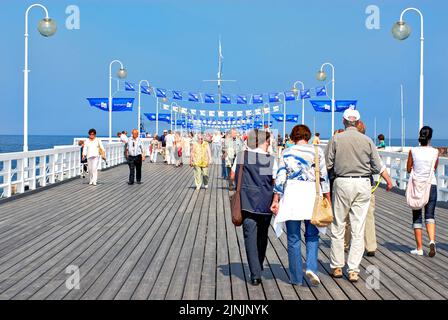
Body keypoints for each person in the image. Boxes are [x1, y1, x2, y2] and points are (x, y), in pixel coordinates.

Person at [326, 108, 393, 282]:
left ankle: (337, 266)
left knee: (339, 225)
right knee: (358, 227)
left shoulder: (336, 139)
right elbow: (378, 166)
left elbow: (327, 164)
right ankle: (354, 269)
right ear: (357, 122)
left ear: (343, 121)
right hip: (363, 183)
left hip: (342, 182)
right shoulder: (367, 140)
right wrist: (389, 181)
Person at [271, 125, 330, 286]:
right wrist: (327, 198)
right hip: (311, 195)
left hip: (292, 195)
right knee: (312, 235)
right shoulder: (317, 151)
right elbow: (324, 177)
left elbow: (280, 177)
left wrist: (276, 199)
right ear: (308, 136)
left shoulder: (287, 152)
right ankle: (311, 267)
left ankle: (296, 277)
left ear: (293, 137)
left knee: (293, 238)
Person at [230, 129, 276, 286]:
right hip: (265, 203)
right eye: (269, 142)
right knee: (262, 235)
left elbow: (232, 176)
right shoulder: (270, 159)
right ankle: (259, 264)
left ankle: (255, 273)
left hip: (247, 201)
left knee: (250, 236)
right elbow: (272, 181)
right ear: (264, 142)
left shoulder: (243, 155)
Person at [344, 120, 378, 257]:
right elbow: (377, 166)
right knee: (368, 216)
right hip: (365, 183)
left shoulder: (342, 141)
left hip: (345, 182)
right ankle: (370, 246)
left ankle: (344, 243)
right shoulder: (369, 143)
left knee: (346, 217)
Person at [406, 126, 439, 257]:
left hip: (416, 185)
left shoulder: (413, 151)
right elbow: (434, 168)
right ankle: (431, 241)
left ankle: (419, 248)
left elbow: (408, 168)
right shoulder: (435, 152)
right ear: (430, 137)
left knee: (417, 216)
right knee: (430, 215)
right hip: (431, 184)